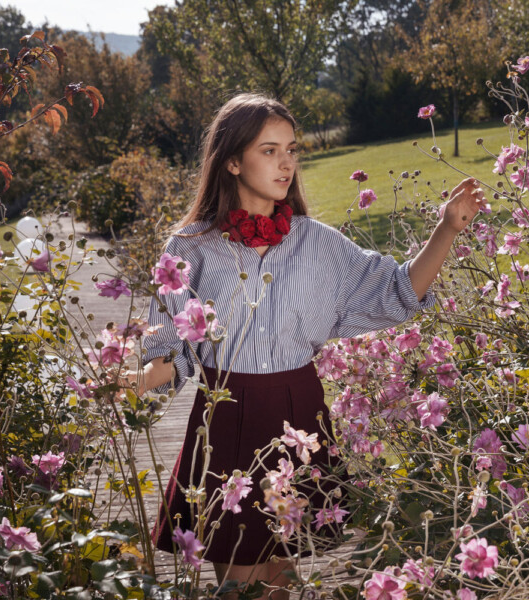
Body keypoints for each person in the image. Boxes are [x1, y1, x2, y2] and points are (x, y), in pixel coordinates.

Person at [125, 93, 484, 597]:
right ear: (232, 160)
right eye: (269, 150)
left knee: (282, 582)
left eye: (291, 149)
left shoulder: (316, 242)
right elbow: (174, 350)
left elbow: (397, 289)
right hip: (225, 419)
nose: (286, 162)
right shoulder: (190, 247)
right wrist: (133, 382)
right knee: (238, 586)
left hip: (299, 418)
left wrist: (447, 228)